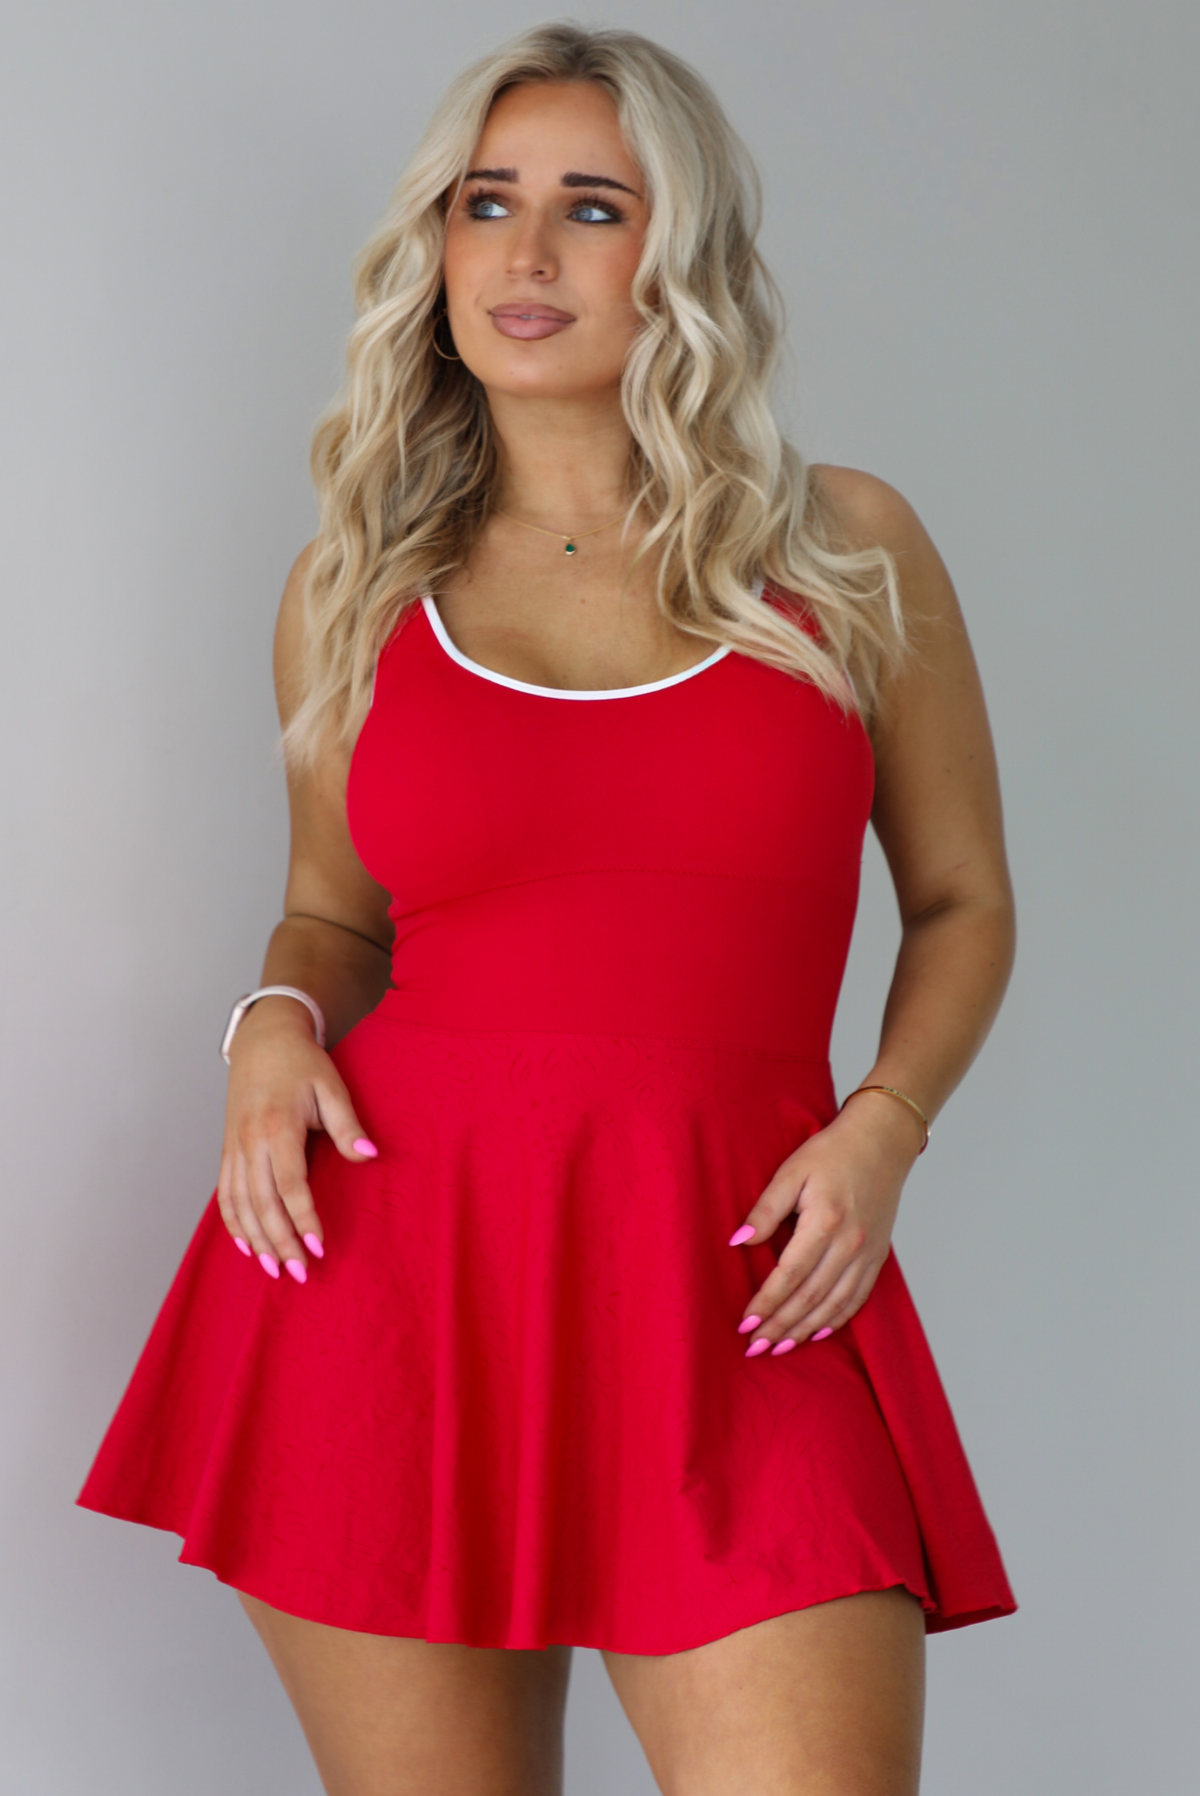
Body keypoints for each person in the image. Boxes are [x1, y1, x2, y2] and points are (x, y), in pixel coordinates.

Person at [79, 21, 1017, 1795]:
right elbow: (332, 923)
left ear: (687, 257)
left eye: (591, 207)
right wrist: (271, 1022)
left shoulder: (844, 553)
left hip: (750, 1299)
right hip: (395, 1294)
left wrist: (884, 1128)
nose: (523, 255)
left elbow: (962, 898)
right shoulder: (357, 593)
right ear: (431, 248)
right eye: (483, 203)